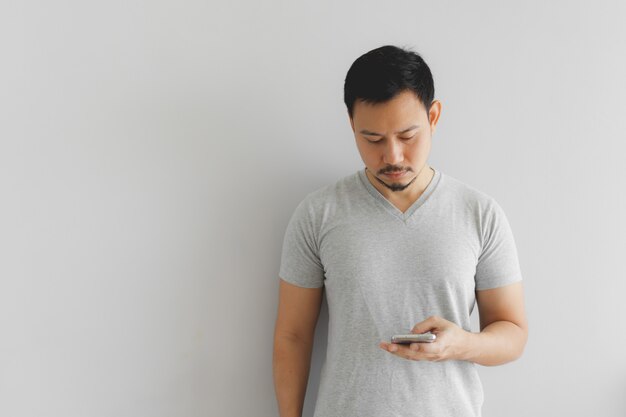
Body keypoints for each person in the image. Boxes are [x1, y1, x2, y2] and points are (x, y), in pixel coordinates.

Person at [272, 45, 528, 417]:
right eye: (372, 139)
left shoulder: (479, 213)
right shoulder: (318, 214)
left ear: (434, 116)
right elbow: (292, 336)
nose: (391, 156)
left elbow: (513, 334)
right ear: (351, 125)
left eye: (407, 136)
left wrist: (460, 344)